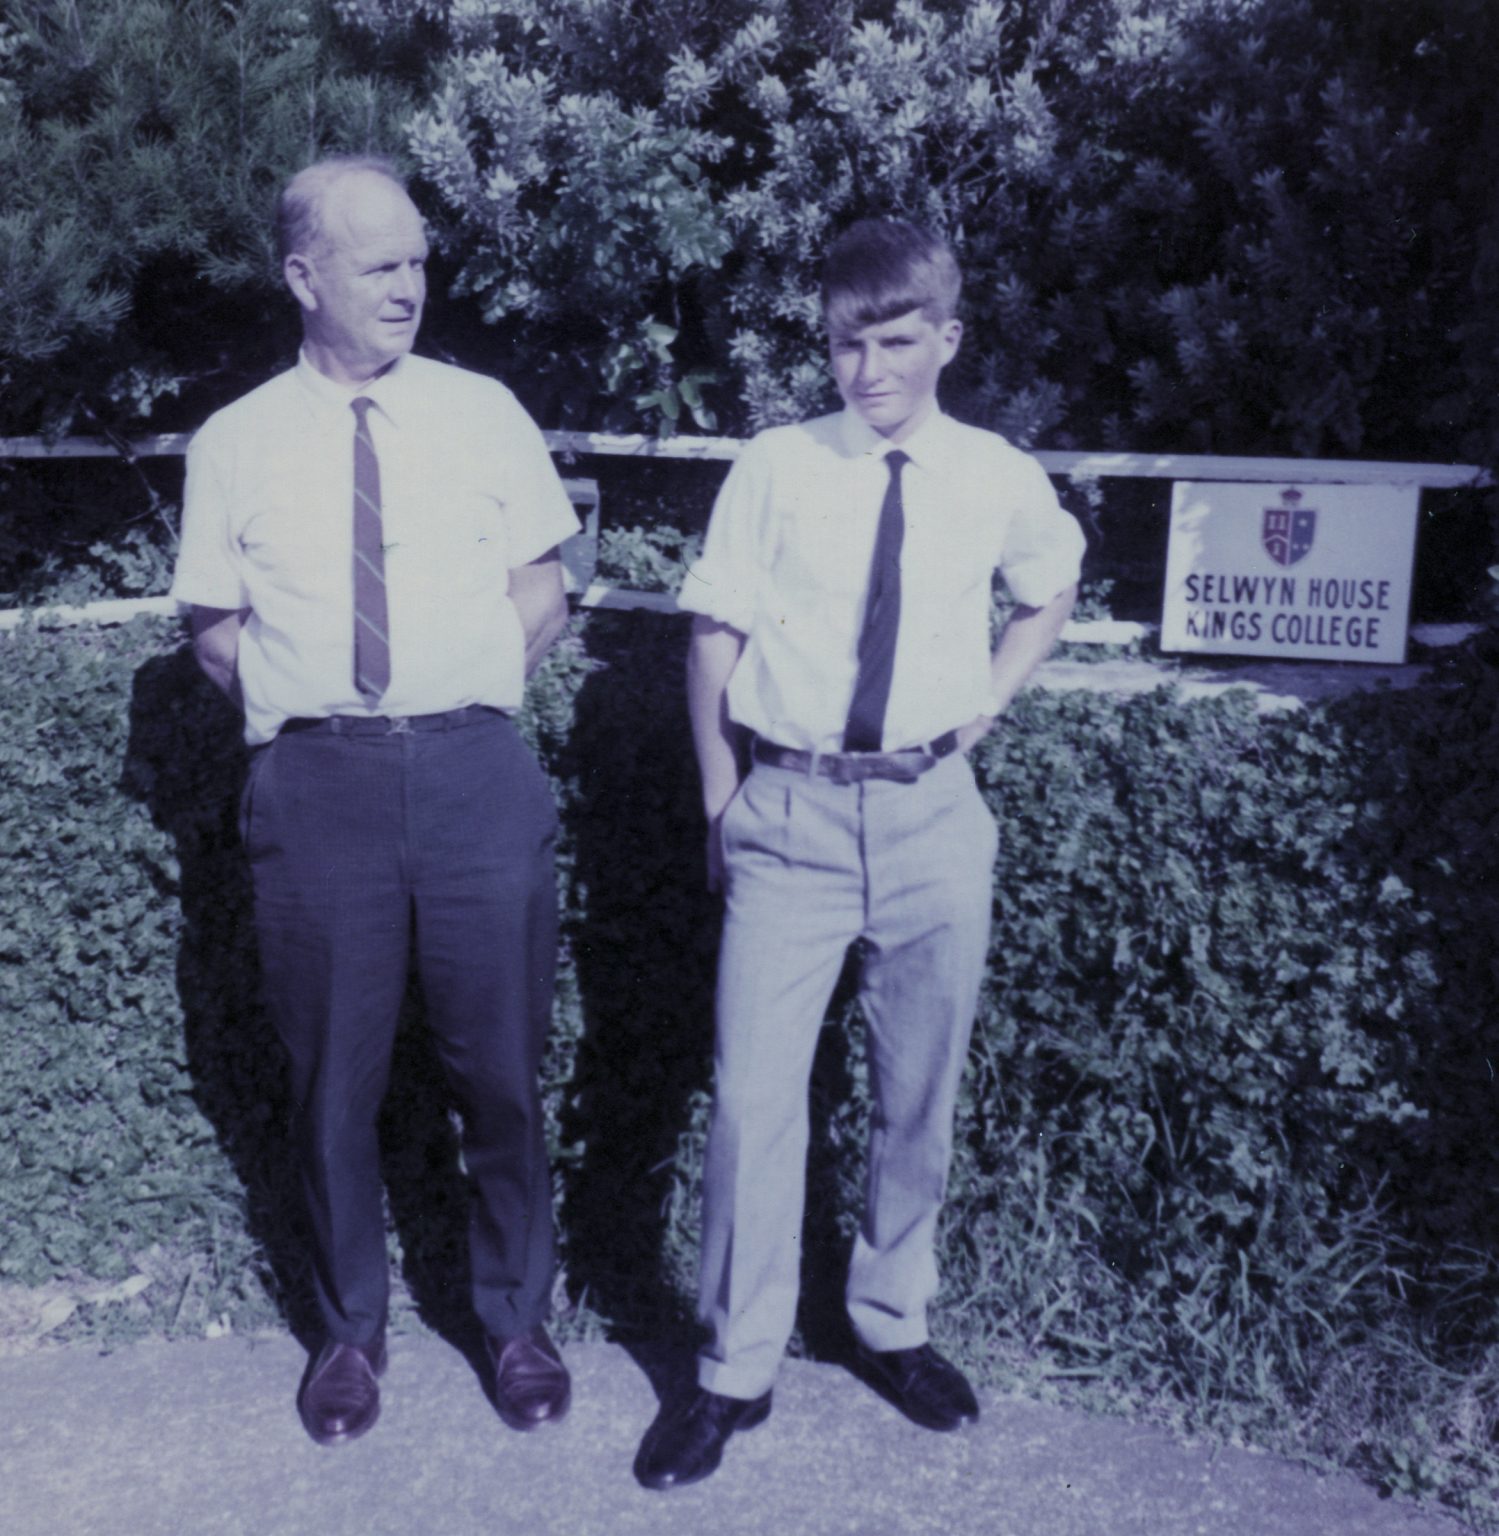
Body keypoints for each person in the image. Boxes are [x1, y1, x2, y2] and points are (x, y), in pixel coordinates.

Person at [634, 218, 1085, 1490]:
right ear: (823, 344)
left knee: (915, 1091)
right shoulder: (777, 468)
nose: (869, 369)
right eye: (846, 343)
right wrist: (724, 805)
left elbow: (1048, 586)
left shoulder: (994, 473)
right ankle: (733, 1371)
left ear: (946, 336)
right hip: (791, 816)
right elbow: (712, 637)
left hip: (934, 815)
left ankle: (891, 1322)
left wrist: (986, 702)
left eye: (895, 342)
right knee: (752, 1099)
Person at [171, 157, 578, 1447]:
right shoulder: (234, 443)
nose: (410, 286)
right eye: (377, 265)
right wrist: (322, 714)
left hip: (473, 774)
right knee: (330, 1084)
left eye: (415, 260)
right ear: (304, 278)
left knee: (501, 1075)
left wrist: (451, 692)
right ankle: (350, 1333)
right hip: (317, 792)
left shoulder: (483, 413)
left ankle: (513, 1318)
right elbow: (211, 627)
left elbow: (544, 587)